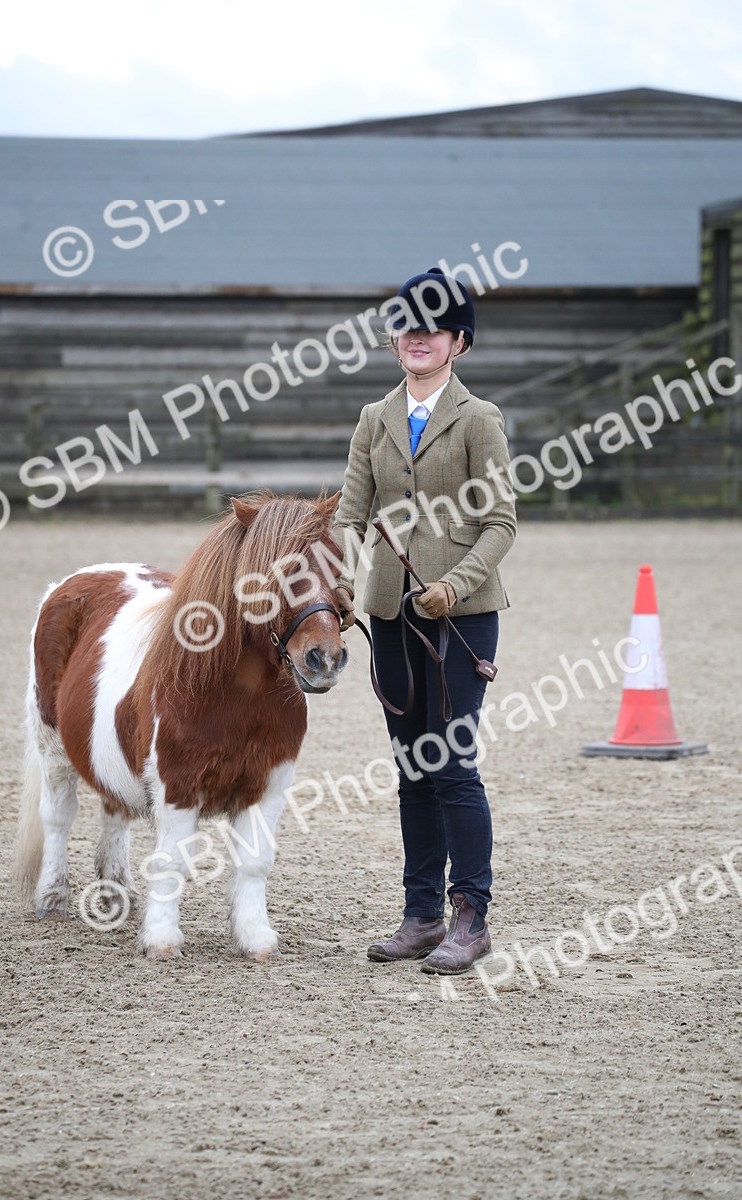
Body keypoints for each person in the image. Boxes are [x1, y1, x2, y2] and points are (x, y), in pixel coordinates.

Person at [332, 267, 516, 975]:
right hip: (388, 616)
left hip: (461, 619)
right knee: (412, 768)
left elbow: (501, 521)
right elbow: (350, 516)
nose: (417, 335)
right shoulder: (373, 419)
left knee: (453, 766)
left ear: (458, 343)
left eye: (433, 326)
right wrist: (335, 589)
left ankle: (472, 915)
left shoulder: (478, 419)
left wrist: (453, 584)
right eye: (407, 323)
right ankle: (421, 915)